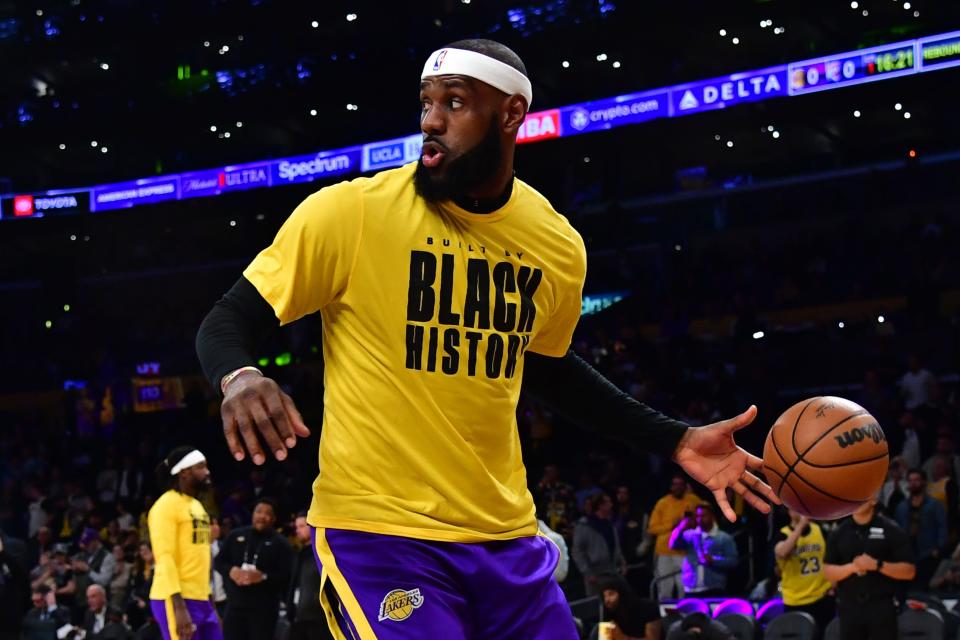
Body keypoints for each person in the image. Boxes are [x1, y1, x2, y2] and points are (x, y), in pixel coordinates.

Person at [195, 38, 777, 638]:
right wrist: (240, 376)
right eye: (426, 104)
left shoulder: (554, 244)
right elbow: (228, 320)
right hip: (381, 536)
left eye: (454, 103)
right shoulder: (351, 214)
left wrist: (673, 438)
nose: (432, 122)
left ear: (509, 114)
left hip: (505, 539)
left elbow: (547, 368)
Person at [147, 447, 222, 640]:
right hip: (175, 597)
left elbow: (202, 558)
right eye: (200, 467)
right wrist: (178, 606)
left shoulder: (197, 506)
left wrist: (211, 603)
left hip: (202, 597)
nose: (207, 472)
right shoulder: (165, 506)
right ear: (184, 472)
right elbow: (164, 557)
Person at [823, 494, 916, 640]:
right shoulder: (838, 532)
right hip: (849, 607)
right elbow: (828, 572)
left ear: (874, 500)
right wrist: (852, 568)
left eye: (862, 495)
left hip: (882, 606)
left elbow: (909, 571)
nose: (857, 501)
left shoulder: (891, 530)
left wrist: (877, 565)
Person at [214, 497, 293, 640]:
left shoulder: (282, 544)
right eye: (259, 511)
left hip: (264, 611)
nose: (262, 516)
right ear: (253, 514)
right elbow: (219, 561)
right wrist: (231, 571)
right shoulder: (235, 535)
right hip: (234, 607)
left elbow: (287, 577)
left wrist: (263, 577)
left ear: (273, 518)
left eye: (267, 513)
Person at [774, 509, 833, 635]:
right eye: (797, 509)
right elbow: (782, 552)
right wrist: (800, 526)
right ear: (789, 512)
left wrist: (833, 585)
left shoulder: (819, 530)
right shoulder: (782, 534)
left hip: (821, 597)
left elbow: (833, 558)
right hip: (795, 600)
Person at [647, 475, 704, 599]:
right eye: (675, 484)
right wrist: (673, 524)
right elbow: (652, 528)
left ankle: (685, 616)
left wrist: (693, 522)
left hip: (684, 552)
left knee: (684, 588)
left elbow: (705, 515)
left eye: (680, 484)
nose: (677, 487)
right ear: (671, 486)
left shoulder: (693, 500)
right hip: (664, 552)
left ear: (685, 486)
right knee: (665, 588)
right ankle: (665, 617)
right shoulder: (662, 503)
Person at [668, 504, 737, 597]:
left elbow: (733, 561)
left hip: (714, 588)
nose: (700, 519)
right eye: (698, 516)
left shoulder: (724, 538)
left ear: (712, 516)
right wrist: (680, 527)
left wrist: (713, 560)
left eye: (704, 515)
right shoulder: (690, 535)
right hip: (691, 589)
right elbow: (672, 545)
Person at [893, 468, 947, 588]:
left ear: (924, 482)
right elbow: (896, 529)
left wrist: (939, 548)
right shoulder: (902, 506)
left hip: (928, 551)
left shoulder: (935, 505)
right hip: (908, 552)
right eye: (910, 480)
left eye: (916, 480)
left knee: (925, 586)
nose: (913, 483)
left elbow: (942, 526)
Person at [288, 512, 332, 640]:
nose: (298, 530)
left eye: (302, 526)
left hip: (319, 618)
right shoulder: (299, 554)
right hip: (299, 615)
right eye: (296, 527)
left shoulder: (324, 553)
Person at [572, 492, 626, 596]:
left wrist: (622, 562)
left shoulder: (609, 524)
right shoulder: (584, 526)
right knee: (597, 606)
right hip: (595, 575)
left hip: (613, 571)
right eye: (608, 502)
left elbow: (616, 546)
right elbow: (577, 551)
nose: (611, 505)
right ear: (601, 506)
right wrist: (587, 573)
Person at [597, 575, 661, 640]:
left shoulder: (648, 607)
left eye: (611, 594)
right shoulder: (608, 611)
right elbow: (604, 638)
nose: (607, 600)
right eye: (604, 596)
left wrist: (624, 638)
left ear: (622, 593)